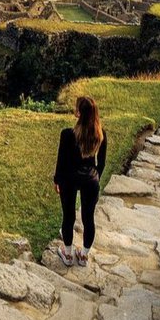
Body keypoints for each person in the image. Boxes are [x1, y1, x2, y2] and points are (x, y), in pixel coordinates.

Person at [52, 95, 107, 266]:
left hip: (69, 177)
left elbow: (61, 161)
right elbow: (102, 163)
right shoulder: (100, 134)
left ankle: (68, 255)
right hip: (90, 179)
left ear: (78, 113)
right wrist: (95, 176)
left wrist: (57, 180)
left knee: (68, 216)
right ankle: (83, 256)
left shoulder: (68, 134)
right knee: (88, 218)